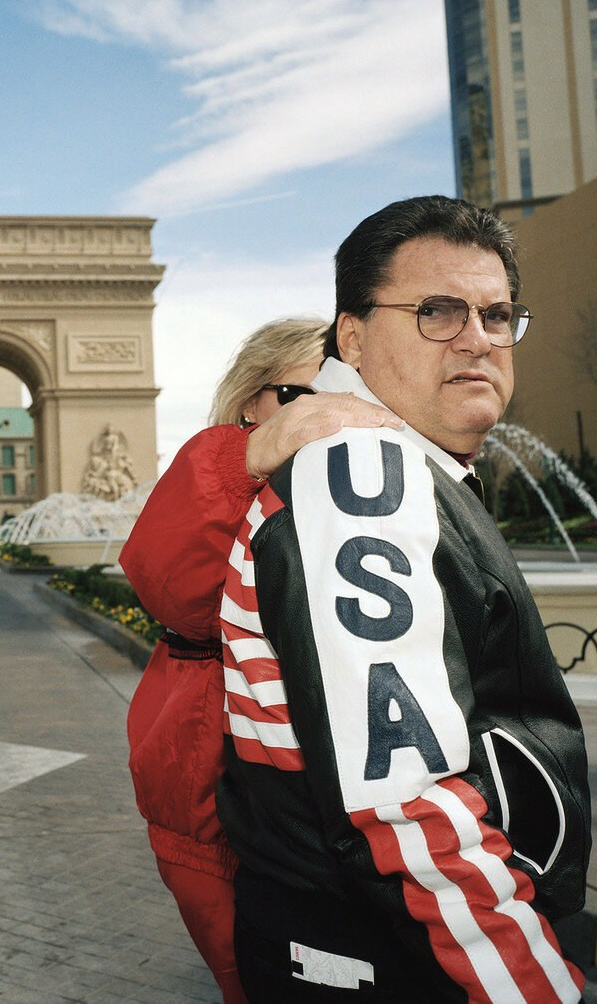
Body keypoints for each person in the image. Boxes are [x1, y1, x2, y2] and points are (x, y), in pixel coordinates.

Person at [218, 196, 591, 1002]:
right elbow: (404, 806)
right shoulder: (363, 478)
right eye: (436, 312)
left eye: (497, 315)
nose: (477, 338)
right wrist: (529, 986)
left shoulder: (390, 467)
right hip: (392, 954)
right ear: (351, 337)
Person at [121, 318, 401, 1004]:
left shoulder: (353, 482)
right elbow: (172, 589)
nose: (322, 414)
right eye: (297, 395)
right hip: (215, 795)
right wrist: (254, 456)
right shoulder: (219, 462)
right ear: (252, 400)